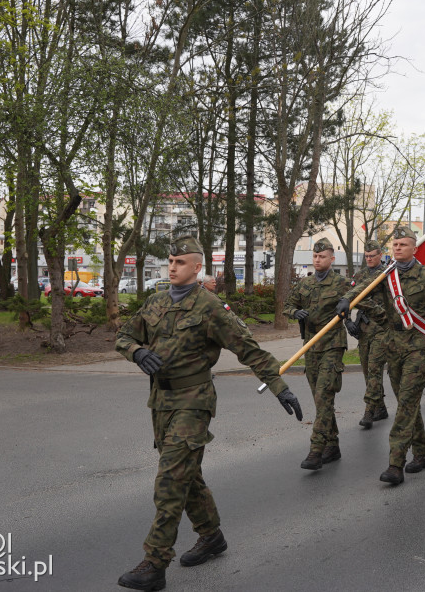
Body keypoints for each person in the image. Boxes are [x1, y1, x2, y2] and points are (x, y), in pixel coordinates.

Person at [115, 237, 303, 591]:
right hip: (160, 402)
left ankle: (155, 563)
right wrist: (137, 352)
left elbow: (249, 349)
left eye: (180, 262)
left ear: (197, 267)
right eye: (170, 261)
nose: (173, 267)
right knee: (187, 475)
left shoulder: (211, 307)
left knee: (170, 480)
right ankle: (211, 536)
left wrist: (280, 387)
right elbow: (124, 336)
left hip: (194, 402)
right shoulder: (155, 301)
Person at [337, 225, 425, 485]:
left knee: (405, 404)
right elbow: (363, 289)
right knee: (407, 403)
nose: (398, 247)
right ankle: (421, 455)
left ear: (414, 248)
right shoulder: (386, 275)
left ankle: (395, 463)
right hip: (393, 345)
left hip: (418, 346)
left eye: (403, 244)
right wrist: (347, 299)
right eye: (395, 244)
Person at [282, 238, 354, 470]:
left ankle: (316, 449)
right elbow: (287, 306)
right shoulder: (306, 283)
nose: (317, 260)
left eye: (322, 256)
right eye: (315, 256)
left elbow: (360, 297)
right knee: (320, 399)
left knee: (324, 395)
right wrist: (295, 312)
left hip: (332, 344)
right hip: (310, 346)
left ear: (332, 259)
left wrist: (350, 311)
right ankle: (332, 446)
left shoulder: (342, 283)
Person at [351, 241, 391, 429]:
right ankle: (380, 407)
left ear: (380, 255)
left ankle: (369, 411)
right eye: (366, 256)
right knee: (368, 371)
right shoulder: (360, 275)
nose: (369, 259)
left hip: (381, 328)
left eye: (372, 256)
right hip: (364, 329)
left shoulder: (387, 274)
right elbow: (349, 298)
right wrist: (348, 321)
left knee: (375, 369)